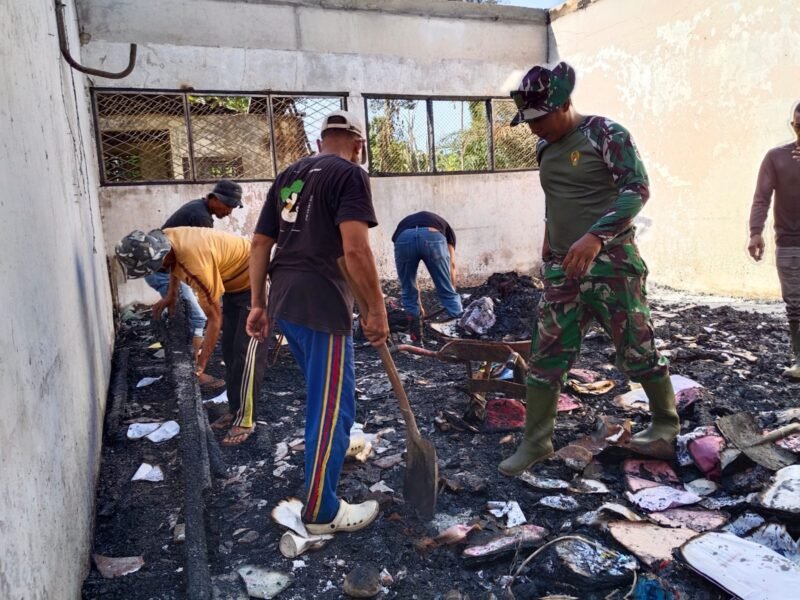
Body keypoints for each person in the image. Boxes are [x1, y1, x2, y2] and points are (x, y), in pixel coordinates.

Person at [498, 61, 680, 476]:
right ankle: (536, 442)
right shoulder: (545, 148)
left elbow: (637, 189)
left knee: (637, 348)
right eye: (528, 120)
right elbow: (557, 199)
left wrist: (596, 236)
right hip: (564, 272)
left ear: (563, 105)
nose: (533, 128)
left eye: (539, 118)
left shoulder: (606, 134)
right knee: (546, 356)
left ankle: (666, 425)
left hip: (613, 267)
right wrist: (549, 244)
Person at [246, 110, 389, 534]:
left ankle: (337, 445)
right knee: (330, 408)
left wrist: (258, 303)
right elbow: (356, 250)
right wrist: (377, 310)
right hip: (320, 301)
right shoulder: (349, 175)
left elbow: (258, 243)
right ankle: (322, 511)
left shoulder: (289, 175)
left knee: (327, 393)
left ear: (320, 140)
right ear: (358, 146)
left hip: (286, 297)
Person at [116, 227, 269, 446]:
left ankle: (246, 420)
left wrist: (203, 362)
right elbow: (173, 267)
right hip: (235, 285)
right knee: (229, 349)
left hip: (258, 283)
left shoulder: (195, 263)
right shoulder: (164, 240)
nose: (158, 269)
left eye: (156, 266)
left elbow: (214, 318)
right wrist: (171, 295)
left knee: (246, 353)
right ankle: (236, 410)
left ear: (162, 256)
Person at [144, 179, 244, 390]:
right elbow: (187, 260)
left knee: (183, 313)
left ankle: (181, 363)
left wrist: (171, 295)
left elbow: (179, 258)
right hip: (161, 270)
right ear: (215, 198)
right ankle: (193, 373)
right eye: (228, 206)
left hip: (163, 268)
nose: (229, 212)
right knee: (198, 316)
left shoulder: (197, 209)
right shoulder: (200, 219)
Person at [748, 102, 800, 379]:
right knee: (795, 304)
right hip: (790, 242)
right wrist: (756, 232)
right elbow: (762, 197)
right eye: (798, 125)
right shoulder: (777, 157)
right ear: (792, 126)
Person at [392, 211, 462, 344]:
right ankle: (462, 339)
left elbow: (412, 281)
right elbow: (452, 265)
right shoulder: (447, 229)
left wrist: (419, 308)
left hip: (403, 238)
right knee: (447, 292)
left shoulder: (407, 221)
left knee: (408, 289)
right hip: (432, 237)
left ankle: (416, 339)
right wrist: (451, 289)